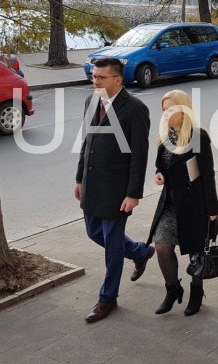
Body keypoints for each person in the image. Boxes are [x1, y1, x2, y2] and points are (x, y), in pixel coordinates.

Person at [75, 58, 154, 323]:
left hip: (118, 190)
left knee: (112, 247)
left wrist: (133, 194)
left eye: (101, 77)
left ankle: (107, 299)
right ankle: (140, 252)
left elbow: (140, 155)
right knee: (94, 232)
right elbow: (87, 143)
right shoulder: (91, 101)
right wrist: (79, 178)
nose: (95, 81)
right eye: (93, 76)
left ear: (117, 80)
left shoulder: (135, 109)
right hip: (92, 183)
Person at [147, 90, 218, 316]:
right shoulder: (165, 137)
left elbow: (208, 174)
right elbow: (161, 165)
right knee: (162, 247)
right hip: (170, 205)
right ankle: (173, 290)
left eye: (171, 109)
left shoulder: (198, 137)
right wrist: (159, 174)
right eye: (164, 110)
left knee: (196, 254)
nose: (166, 114)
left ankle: (196, 291)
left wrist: (212, 209)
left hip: (193, 205)